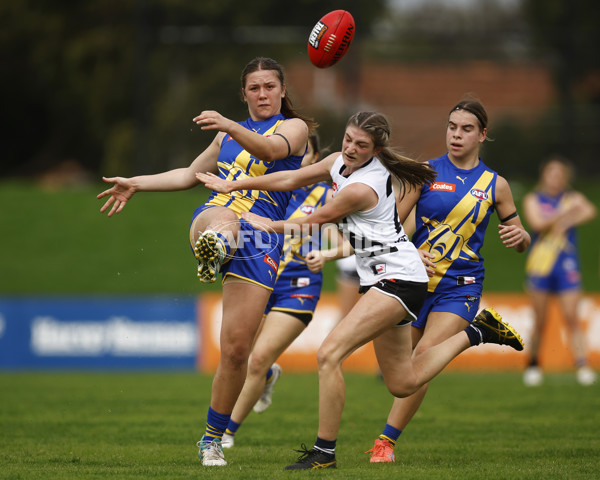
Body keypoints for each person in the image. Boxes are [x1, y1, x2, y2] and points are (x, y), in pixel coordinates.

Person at [196, 110, 525, 470]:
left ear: (375, 151)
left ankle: (324, 454)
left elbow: (313, 221)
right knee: (402, 382)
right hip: (389, 277)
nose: (351, 149)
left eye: (361, 145)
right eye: (349, 139)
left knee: (329, 354)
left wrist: (263, 222)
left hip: (398, 279)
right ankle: (479, 331)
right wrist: (237, 185)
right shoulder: (338, 160)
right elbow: (291, 178)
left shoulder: (361, 188)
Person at [97, 57, 316, 467]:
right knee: (225, 218)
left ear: (283, 90)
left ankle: (211, 439)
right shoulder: (224, 139)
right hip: (217, 214)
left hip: (262, 237)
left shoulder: (294, 128)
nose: (263, 93)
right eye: (254, 88)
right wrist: (137, 183)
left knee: (235, 351)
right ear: (244, 93)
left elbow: (270, 149)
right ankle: (215, 246)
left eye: (270, 86)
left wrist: (231, 125)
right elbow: (187, 175)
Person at [362, 98, 532, 463]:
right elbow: (396, 224)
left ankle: (384, 443)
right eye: (452, 127)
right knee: (405, 373)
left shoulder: (495, 185)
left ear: (483, 135)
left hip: (461, 286)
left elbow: (519, 235)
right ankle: (481, 332)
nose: (456, 135)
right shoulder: (424, 172)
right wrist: (408, 249)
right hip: (415, 284)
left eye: (466, 129)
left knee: (424, 357)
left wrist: (523, 239)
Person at [220, 132, 336, 448]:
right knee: (238, 354)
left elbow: (345, 239)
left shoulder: (329, 195)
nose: (299, 159)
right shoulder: (268, 190)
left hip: (298, 287)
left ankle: (226, 434)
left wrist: (326, 253)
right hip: (259, 279)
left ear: (315, 158)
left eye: (304, 153)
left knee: (256, 360)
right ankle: (269, 376)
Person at [522, 156, 597, 386]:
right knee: (540, 320)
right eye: (551, 174)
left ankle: (582, 364)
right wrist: (564, 216)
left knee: (572, 317)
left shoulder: (571, 198)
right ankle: (533, 363)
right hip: (540, 266)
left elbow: (590, 211)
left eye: (559, 175)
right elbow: (537, 224)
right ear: (544, 176)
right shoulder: (533, 199)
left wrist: (567, 216)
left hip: (567, 265)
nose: (555, 179)